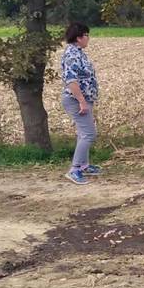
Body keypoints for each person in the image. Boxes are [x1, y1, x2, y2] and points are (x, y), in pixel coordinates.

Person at [60, 22, 100, 184]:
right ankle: (75, 169)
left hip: (83, 99)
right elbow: (71, 81)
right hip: (75, 100)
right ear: (79, 38)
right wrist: (82, 102)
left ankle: (84, 165)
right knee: (89, 134)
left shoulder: (79, 52)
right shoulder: (72, 55)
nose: (88, 38)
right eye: (87, 35)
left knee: (83, 133)